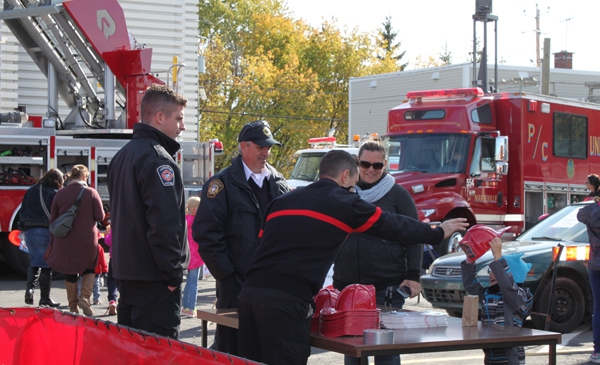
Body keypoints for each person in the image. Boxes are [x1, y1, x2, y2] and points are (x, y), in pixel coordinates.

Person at [237, 150, 468, 365]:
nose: (354, 192)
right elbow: (392, 224)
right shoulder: (341, 202)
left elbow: (258, 247)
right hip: (287, 300)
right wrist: (437, 232)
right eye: (353, 186)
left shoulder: (281, 201)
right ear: (345, 176)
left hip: (249, 295)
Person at [193, 120, 290, 354]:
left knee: (268, 349)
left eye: (269, 147)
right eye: (260, 147)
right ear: (243, 146)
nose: (266, 152)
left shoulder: (279, 183)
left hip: (272, 286)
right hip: (236, 286)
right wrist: (227, 277)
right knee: (233, 349)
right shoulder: (222, 184)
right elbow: (206, 235)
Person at [107, 84, 189, 339]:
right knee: (157, 355)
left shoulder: (122, 156)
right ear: (160, 117)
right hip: (154, 282)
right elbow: (164, 226)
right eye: (179, 118)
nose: (182, 126)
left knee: (131, 353)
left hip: (129, 277)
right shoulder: (158, 160)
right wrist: (173, 275)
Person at [332, 140, 420, 365]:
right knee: (352, 349)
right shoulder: (342, 192)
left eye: (377, 165)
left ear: (385, 165)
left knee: (385, 352)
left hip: (387, 285)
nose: (371, 169)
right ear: (356, 163)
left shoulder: (398, 195)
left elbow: (414, 235)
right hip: (348, 285)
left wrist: (414, 275)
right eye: (365, 164)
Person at [461, 237, 534, 365]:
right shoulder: (489, 294)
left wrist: (499, 257)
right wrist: (469, 260)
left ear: (512, 276)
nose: (490, 274)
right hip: (491, 356)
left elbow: (508, 287)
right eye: (490, 271)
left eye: (495, 271)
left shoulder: (520, 296)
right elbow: (470, 285)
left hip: (511, 358)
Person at [45, 164, 104, 315]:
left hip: (66, 239)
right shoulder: (91, 192)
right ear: (84, 177)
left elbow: (54, 219)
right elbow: (100, 217)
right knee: (90, 267)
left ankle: (73, 306)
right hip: (87, 239)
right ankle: (85, 298)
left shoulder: (60, 193)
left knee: (70, 270)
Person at [19, 168, 64, 307]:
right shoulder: (54, 193)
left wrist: (23, 229)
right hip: (45, 230)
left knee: (34, 261)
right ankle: (45, 297)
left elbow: (23, 210)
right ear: (57, 180)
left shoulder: (31, 190)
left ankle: (30, 290)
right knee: (46, 264)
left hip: (30, 231)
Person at [577, 200, 600, 363]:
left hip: (595, 264)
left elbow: (579, 215)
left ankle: (598, 351)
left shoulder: (589, 211)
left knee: (598, 308)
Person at [181, 196, 203, 318]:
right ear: (195, 209)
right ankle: (192, 308)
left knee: (188, 282)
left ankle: (184, 307)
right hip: (196, 255)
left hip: (186, 255)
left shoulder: (185, 220)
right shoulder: (197, 221)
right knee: (193, 283)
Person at [103, 225, 118, 316]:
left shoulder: (114, 227)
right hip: (128, 258)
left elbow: (109, 241)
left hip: (114, 257)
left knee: (112, 280)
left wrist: (106, 235)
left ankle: (112, 301)